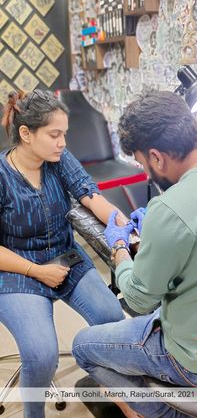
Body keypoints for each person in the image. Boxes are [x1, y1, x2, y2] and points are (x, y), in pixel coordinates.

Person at [72, 90, 197, 417]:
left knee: (83, 346)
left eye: (144, 164)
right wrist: (160, 236)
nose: (148, 173)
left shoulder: (170, 209)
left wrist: (120, 248)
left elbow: (138, 299)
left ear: (157, 157)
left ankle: (158, 413)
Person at [0, 89, 127, 418]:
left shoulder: (57, 158)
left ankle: (110, 389)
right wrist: (37, 271)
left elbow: (89, 194)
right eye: (54, 135)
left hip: (64, 256)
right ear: (26, 134)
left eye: (64, 135)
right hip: (16, 270)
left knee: (111, 318)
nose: (62, 143)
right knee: (41, 355)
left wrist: (125, 228)